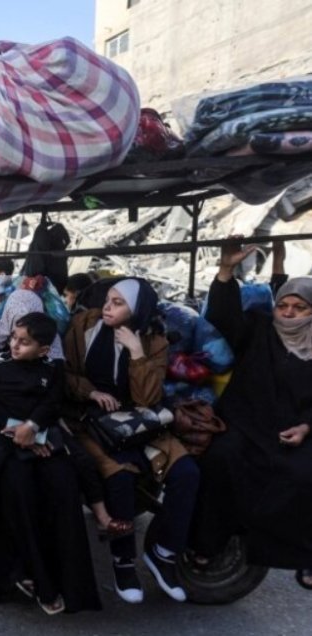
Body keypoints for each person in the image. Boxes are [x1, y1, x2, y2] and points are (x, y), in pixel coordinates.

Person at [63, 278, 199, 604]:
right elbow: (64, 372)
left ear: (136, 310)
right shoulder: (86, 325)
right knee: (121, 475)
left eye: (118, 303)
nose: (107, 308)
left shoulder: (154, 342)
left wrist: (136, 353)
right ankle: (122, 560)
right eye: (108, 300)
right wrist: (91, 392)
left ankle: (162, 553)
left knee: (187, 473)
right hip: (91, 422)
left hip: (140, 423)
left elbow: (147, 398)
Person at [190, 238, 312, 591]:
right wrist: (226, 270)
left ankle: (300, 556)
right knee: (219, 461)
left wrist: (306, 426)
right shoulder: (259, 329)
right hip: (244, 424)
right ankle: (207, 544)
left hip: (295, 431)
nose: (288, 313)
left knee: (304, 476)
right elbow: (223, 318)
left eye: (299, 307)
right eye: (283, 305)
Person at [0, 312, 132, 542]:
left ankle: (104, 518)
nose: (15, 345)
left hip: (42, 426)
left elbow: (51, 403)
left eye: (24, 342)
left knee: (83, 461)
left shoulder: (51, 368)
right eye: (14, 337)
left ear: (43, 350)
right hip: (6, 426)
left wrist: (34, 428)